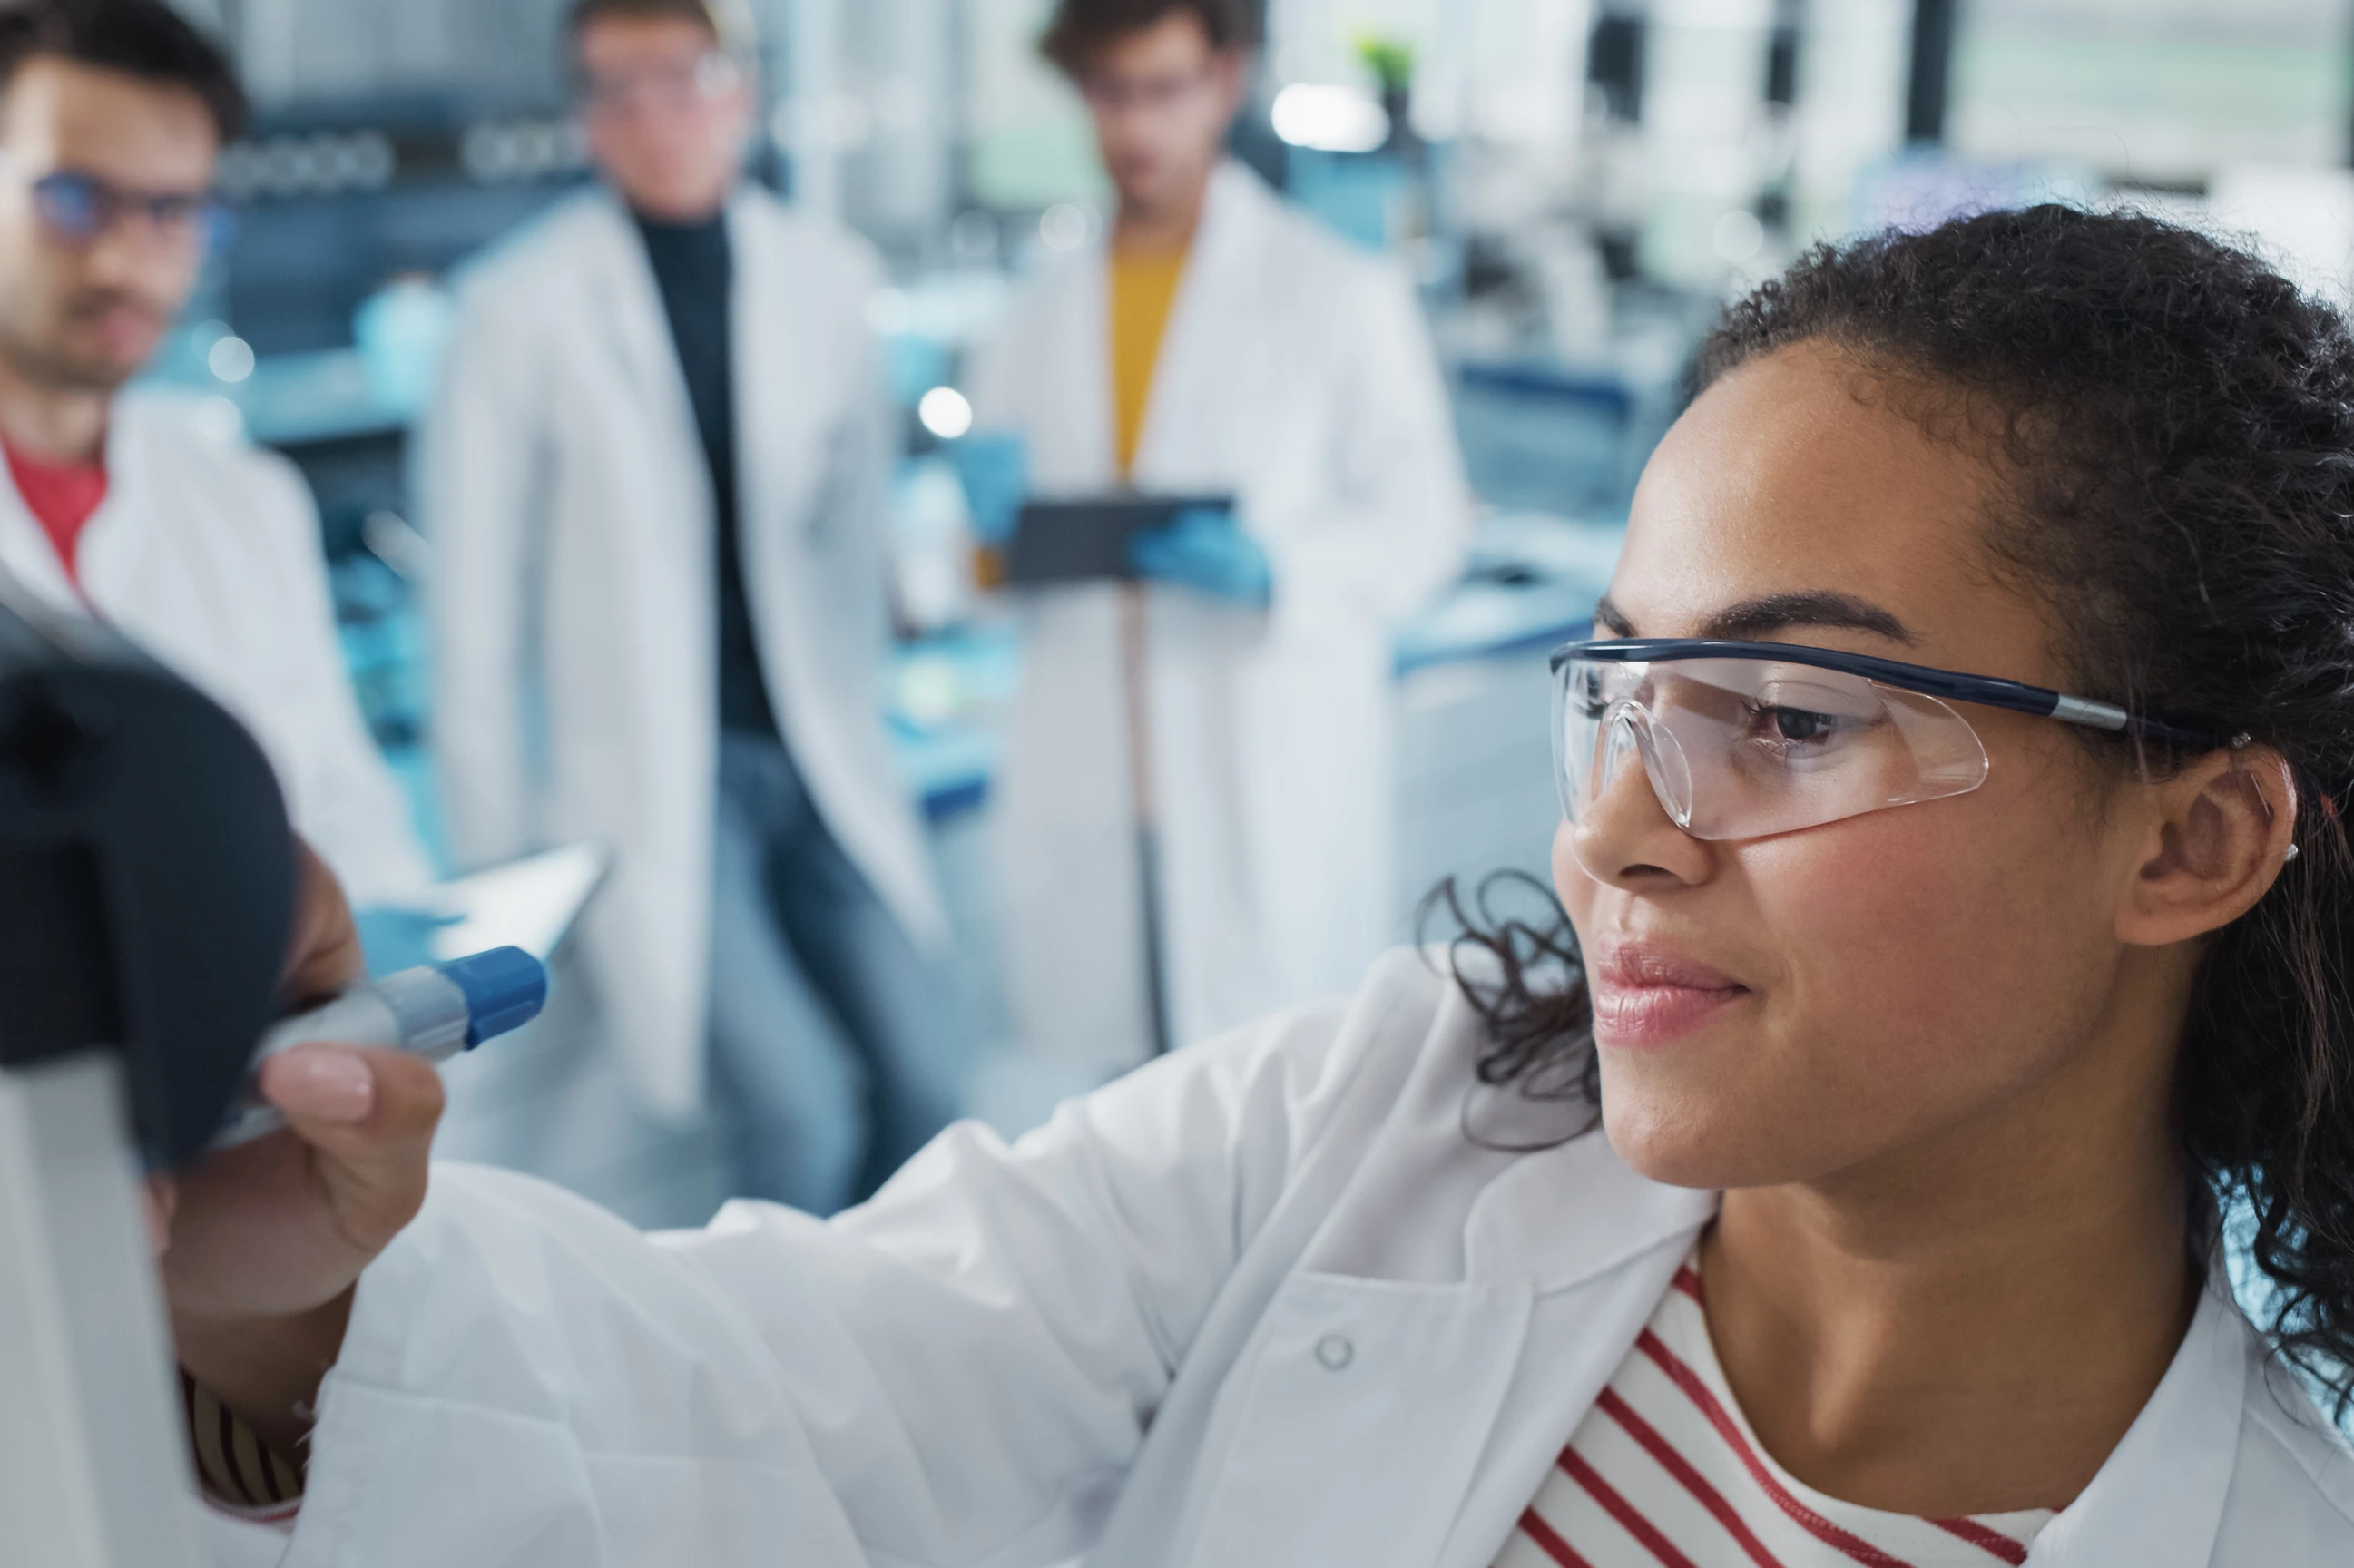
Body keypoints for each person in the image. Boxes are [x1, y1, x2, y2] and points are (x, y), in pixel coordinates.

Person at [171, 209, 2354, 1563]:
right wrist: (305, 1303)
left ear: (2187, 837)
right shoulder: (1397, 1117)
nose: (1611, 824)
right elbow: (795, 1393)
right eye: (1617, 683)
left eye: (1786, 713)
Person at [420, 0, 956, 1214]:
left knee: (930, 1086)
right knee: (802, 1110)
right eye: (613, 89)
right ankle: (792, 1392)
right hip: (654, 788)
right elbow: (470, 618)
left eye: (679, 76)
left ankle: (902, 1368)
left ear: (740, 89)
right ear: (583, 119)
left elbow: (863, 529)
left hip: (818, 756)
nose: (650, 114)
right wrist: (500, 876)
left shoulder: (824, 278)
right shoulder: (517, 309)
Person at [968, 0, 1472, 1075]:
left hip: (1256, 774)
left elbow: (1424, 526)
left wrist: (1280, 571)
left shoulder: (1334, 293)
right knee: (1106, 1129)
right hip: (1090, 788)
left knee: (1265, 1116)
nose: (1134, 127)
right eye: (1109, 92)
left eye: (1164, 89)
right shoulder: (1034, 313)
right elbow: (986, 576)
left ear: (1225, 81)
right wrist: (979, 536)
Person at [0, 0, 430, 907]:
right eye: (73, 200)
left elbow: (359, 832)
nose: (127, 260)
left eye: (172, 210)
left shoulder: (250, 504)